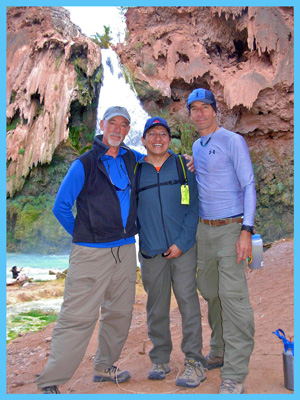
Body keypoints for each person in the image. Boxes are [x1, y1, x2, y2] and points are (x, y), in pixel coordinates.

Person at [36, 106, 143, 394]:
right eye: (113, 123)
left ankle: (104, 367)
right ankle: (50, 380)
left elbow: (160, 161)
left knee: (119, 313)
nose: (118, 129)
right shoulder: (83, 164)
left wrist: (185, 161)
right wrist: (86, 235)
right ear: (102, 124)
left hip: (125, 251)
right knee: (77, 316)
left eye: (124, 125)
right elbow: (61, 207)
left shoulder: (133, 159)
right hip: (90, 253)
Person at [187, 88, 256, 394]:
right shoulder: (197, 145)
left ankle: (235, 373)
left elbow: (249, 184)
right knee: (210, 292)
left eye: (205, 107)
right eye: (194, 109)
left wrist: (247, 230)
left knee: (233, 297)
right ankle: (219, 349)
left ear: (215, 111)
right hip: (204, 230)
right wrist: (190, 160)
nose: (200, 113)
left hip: (231, 228)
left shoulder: (232, 140)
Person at [135, 116, 207, 388]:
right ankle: (160, 359)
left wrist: (182, 242)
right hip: (151, 251)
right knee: (156, 307)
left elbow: (194, 207)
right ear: (143, 140)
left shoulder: (182, 166)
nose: (157, 138)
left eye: (162, 133)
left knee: (188, 304)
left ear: (169, 139)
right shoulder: (136, 170)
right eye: (151, 134)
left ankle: (194, 362)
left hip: (184, 248)